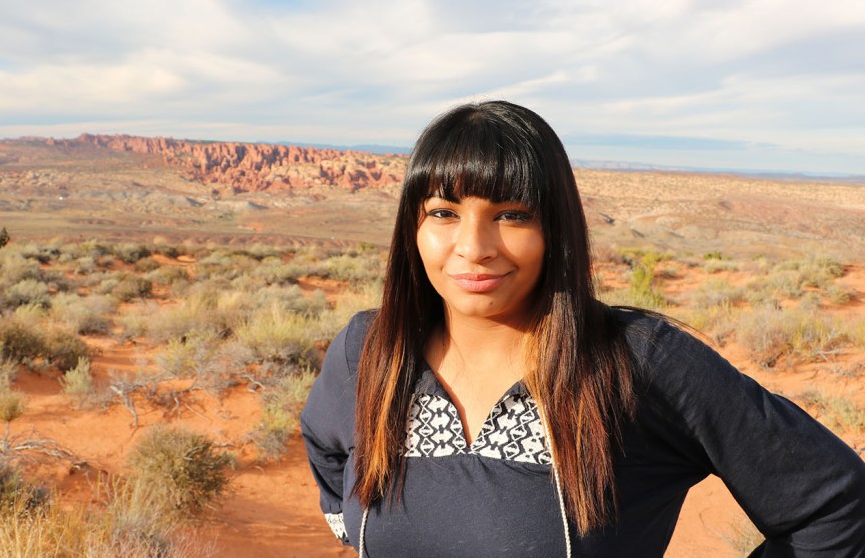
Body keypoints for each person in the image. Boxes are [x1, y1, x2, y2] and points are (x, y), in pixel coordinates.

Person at [300, 101, 865, 557]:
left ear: (555, 229)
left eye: (512, 214)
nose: (473, 248)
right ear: (412, 229)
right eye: (444, 213)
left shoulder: (640, 363)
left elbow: (838, 504)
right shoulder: (370, 350)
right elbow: (326, 447)